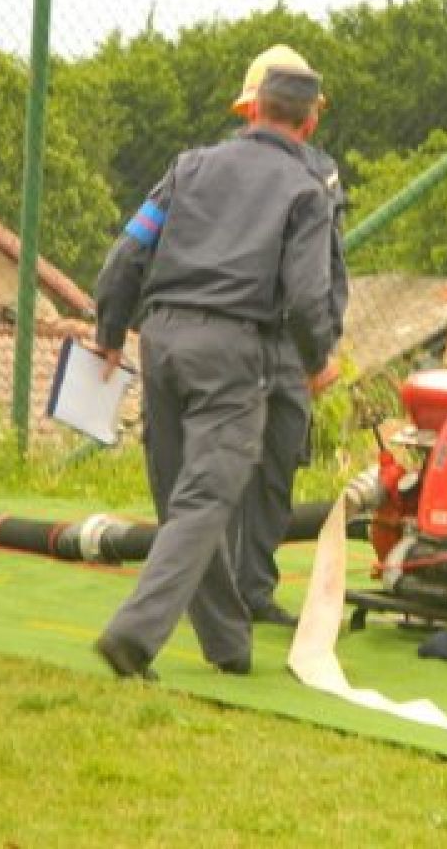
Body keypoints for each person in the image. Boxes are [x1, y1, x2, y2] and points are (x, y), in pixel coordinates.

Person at [91, 60, 340, 679]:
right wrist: (318, 360)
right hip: (232, 353)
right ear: (309, 124)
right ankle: (133, 635)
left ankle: (228, 642)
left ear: (253, 109)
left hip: (161, 339)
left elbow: (128, 251)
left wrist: (110, 334)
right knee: (206, 499)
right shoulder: (307, 191)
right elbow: (307, 296)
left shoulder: (189, 166)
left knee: (182, 497)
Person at [226, 45, 350, 628]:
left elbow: (329, 266)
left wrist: (320, 345)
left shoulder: (321, 173)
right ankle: (217, 590)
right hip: (243, 336)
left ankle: (254, 589)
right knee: (228, 465)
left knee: (276, 468)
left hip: (291, 344)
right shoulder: (222, 167)